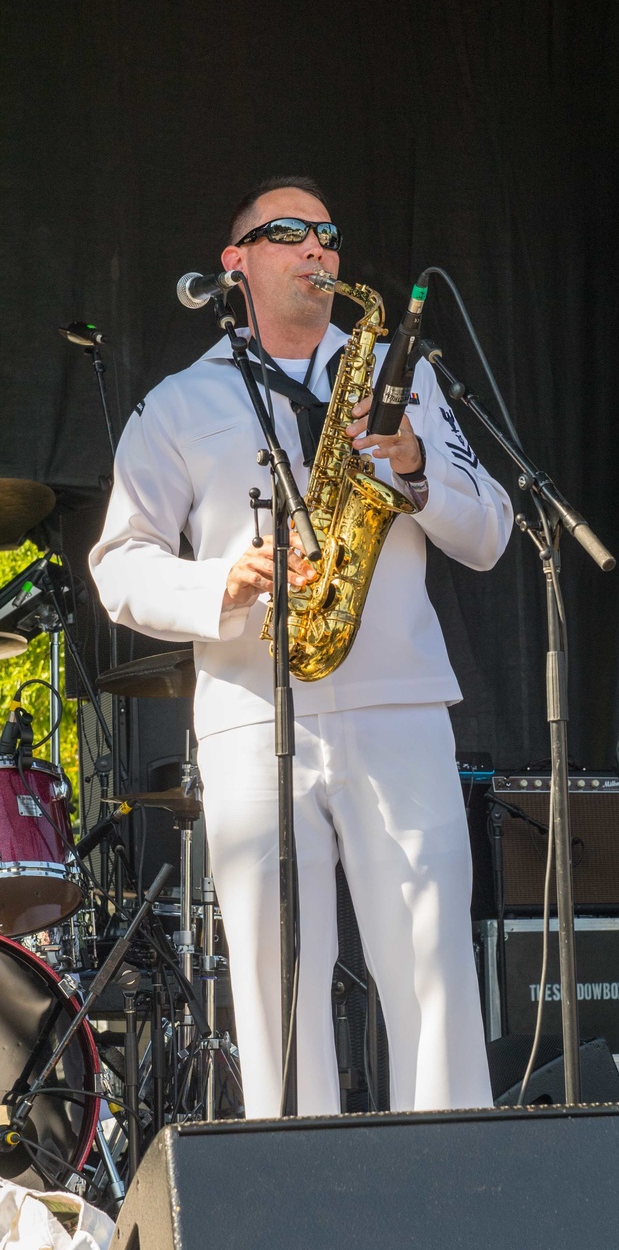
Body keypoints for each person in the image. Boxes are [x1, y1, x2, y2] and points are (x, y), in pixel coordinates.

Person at [91, 175, 513, 1119]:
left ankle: (449, 1191)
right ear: (235, 263)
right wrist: (220, 584)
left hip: (398, 702)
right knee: (275, 977)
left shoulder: (407, 382)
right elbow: (118, 567)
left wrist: (412, 467)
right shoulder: (178, 404)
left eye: (329, 233)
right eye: (290, 232)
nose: (319, 248)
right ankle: (300, 1201)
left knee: (432, 955)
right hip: (250, 713)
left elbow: (490, 532)